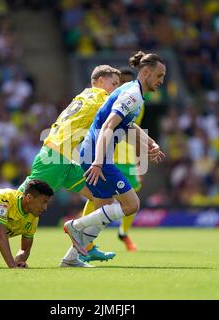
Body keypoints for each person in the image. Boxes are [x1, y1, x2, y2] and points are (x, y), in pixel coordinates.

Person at [63, 51, 166, 256]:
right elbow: (108, 127)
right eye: (159, 76)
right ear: (145, 72)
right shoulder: (132, 95)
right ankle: (76, 225)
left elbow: (128, 126)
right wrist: (99, 162)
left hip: (93, 153)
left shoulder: (134, 92)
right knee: (131, 204)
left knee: (103, 209)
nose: (162, 81)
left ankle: (71, 257)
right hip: (97, 155)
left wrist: (150, 143)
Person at [17, 65, 121, 267]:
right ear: (99, 81)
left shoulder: (83, 96)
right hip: (54, 157)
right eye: (114, 84)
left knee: (102, 196)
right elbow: (121, 108)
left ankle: (80, 252)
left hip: (64, 160)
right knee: (19, 203)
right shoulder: (99, 96)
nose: (116, 89)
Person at [79, 67, 143, 260]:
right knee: (103, 199)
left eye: (122, 83)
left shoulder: (137, 102)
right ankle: (80, 233)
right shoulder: (104, 99)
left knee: (111, 198)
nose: (119, 87)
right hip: (101, 155)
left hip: (124, 155)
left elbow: (130, 127)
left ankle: (120, 233)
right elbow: (103, 125)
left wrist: (141, 152)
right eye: (116, 83)